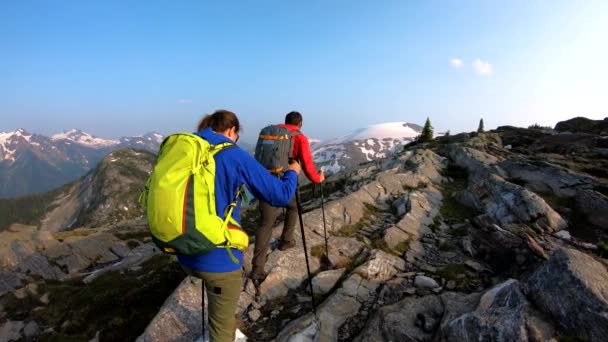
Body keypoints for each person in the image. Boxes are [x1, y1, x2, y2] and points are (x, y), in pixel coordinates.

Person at [176, 110, 301, 342]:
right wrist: (293, 173)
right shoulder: (232, 154)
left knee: (218, 312)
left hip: (182, 249)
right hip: (217, 259)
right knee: (221, 332)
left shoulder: (188, 147)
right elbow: (281, 195)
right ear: (232, 131)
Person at [251, 111, 325, 283]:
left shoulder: (273, 133)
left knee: (265, 223)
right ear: (300, 123)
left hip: (267, 181)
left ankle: (257, 269)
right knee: (293, 208)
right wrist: (317, 179)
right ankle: (286, 241)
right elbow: (306, 163)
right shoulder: (299, 137)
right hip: (286, 181)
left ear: (285, 122)